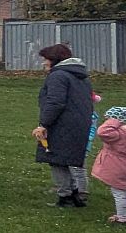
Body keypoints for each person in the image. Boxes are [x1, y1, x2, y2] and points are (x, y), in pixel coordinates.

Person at [33, 43, 95, 208]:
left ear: (54, 59)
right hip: (78, 123)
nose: (44, 63)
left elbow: (55, 102)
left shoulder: (58, 76)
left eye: (46, 59)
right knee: (66, 159)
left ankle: (65, 196)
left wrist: (44, 124)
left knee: (56, 159)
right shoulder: (80, 76)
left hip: (62, 124)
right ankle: (74, 194)